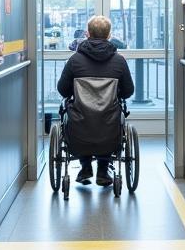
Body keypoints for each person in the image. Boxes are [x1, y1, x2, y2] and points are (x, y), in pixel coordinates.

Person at [57, 14, 134, 187]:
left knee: (79, 116)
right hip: (110, 128)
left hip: (78, 128)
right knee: (108, 120)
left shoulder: (74, 60)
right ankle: (102, 171)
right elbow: (128, 91)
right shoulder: (119, 61)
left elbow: (63, 89)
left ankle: (85, 169)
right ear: (109, 35)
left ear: (87, 34)